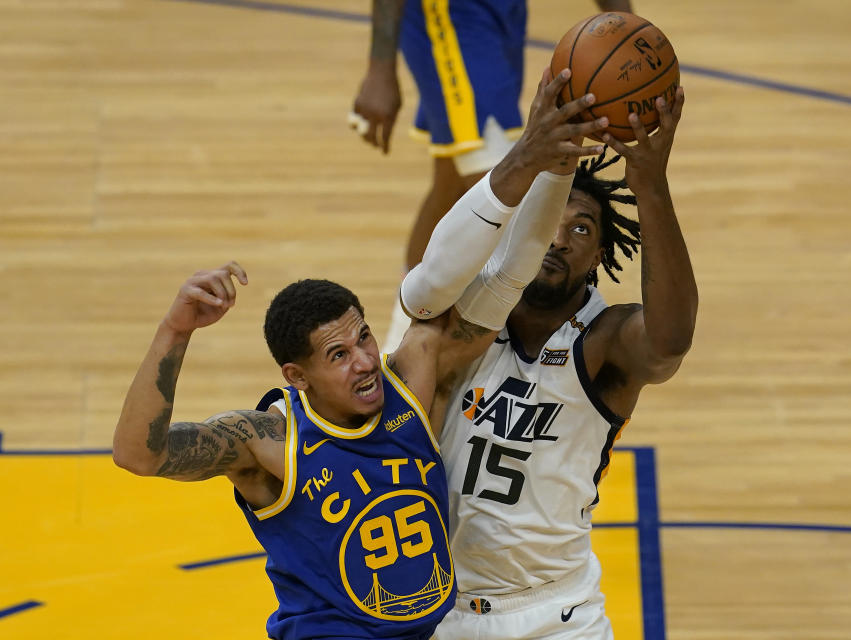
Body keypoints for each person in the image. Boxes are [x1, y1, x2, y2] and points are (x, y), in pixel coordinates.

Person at [113, 69, 609, 640]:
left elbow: (505, 279)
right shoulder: (269, 442)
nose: (366, 361)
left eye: (365, 339)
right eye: (339, 355)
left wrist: (550, 162)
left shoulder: (412, 386)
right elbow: (138, 456)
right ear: (297, 377)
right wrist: (175, 333)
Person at [427, 90, 697, 639]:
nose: (558, 238)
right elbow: (421, 279)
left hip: (555, 616)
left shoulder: (606, 340)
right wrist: (527, 153)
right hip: (437, 610)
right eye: (549, 219)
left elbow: (669, 343)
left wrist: (650, 186)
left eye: (581, 229)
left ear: (599, 255)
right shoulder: (466, 314)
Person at [350, 0, 634, 350]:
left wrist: (630, 31)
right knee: (504, 193)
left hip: (503, 11)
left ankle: (401, 339)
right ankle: (432, 352)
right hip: (452, 15)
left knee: (452, 183)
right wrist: (380, 66)